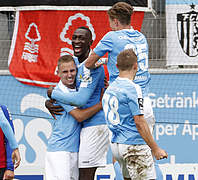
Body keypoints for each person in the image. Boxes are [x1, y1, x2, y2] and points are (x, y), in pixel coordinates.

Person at [47, 27, 109, 180]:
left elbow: (80, 100)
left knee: (85, 176)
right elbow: (62, 83)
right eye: (74, 38)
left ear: (90, 42)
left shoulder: (93, 67)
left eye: (81, 38)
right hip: (81, 131)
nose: (76, 41)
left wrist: (53, 94)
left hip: (95, 125)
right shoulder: (74, 63)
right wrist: (48, 101)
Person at [102, 49, 167, 179]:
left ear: (116, 66)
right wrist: (155, 149)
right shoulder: (133, 88)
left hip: (116, 147)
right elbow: (139, 122)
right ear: (136, 66)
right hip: (133, 146)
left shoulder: (110, 89)